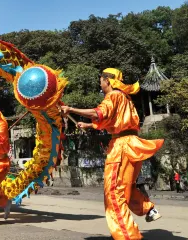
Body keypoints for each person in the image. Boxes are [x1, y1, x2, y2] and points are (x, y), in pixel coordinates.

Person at [62, 68, 163, 240]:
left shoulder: (113, 96)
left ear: (107, 80)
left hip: (121, 147)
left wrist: (71, 108)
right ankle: (147, 208)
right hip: (132, 144)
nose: (99, 83)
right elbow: (111, 120)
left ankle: (127, 237)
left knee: (114, 195)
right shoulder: (124, 97)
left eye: (101, 79)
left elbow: (99, 113)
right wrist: (89, 126)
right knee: (126, 187)